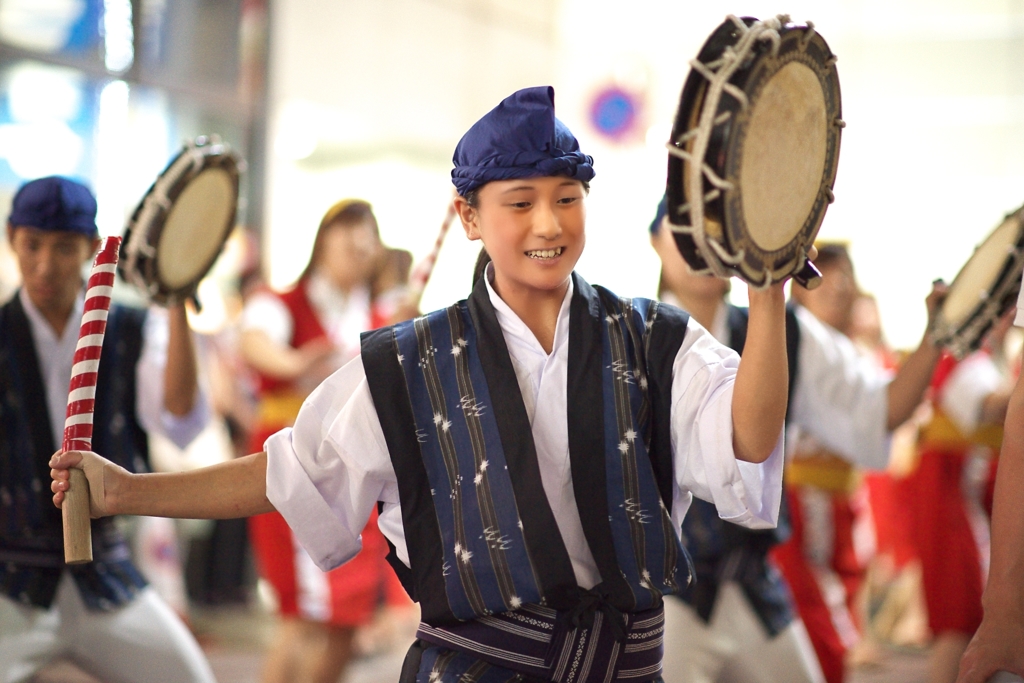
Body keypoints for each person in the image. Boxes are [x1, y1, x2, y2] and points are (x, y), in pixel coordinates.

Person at [51, 85, 790, 683]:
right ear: (469, 217)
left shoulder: (654, 339)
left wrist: (765, 292)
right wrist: (124, 491)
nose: (549, 221)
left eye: (567, 197)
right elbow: (284, 472)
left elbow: (747, 437)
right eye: (520, 200)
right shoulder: (409, 359)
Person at [648, 207, 944, 683]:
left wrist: (936, 335)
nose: (699, 243)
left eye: (714, 227)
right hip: (664, 596)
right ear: (655, 243)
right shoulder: (631, 332)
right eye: (681, 229)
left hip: (756, 583)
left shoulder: (784, 329)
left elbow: (875, 410)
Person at [0, 176, 216, 682]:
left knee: (189, 678)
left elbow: (180, 418)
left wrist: (177, 297)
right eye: (32, 245)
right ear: (12, 239)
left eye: (64, 247)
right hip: (10, 580)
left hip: (104, 577)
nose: (45, 265)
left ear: (93, 249)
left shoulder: (131, 329)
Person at [240, 199, 413, 683]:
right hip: (292, 462)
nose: (359, 248)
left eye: (367, 241)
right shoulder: (280, 303)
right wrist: (297, 364)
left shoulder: (380, 313)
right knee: (300, 614)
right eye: (348, 237)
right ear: (323, 243)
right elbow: (254, 343)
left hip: (358, 470)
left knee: (347, 618)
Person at [954, 274, 1024, 683]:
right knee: (954, 621)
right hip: (951, 499)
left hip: (973, 498)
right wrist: (1002, 609)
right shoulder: (962, 355)